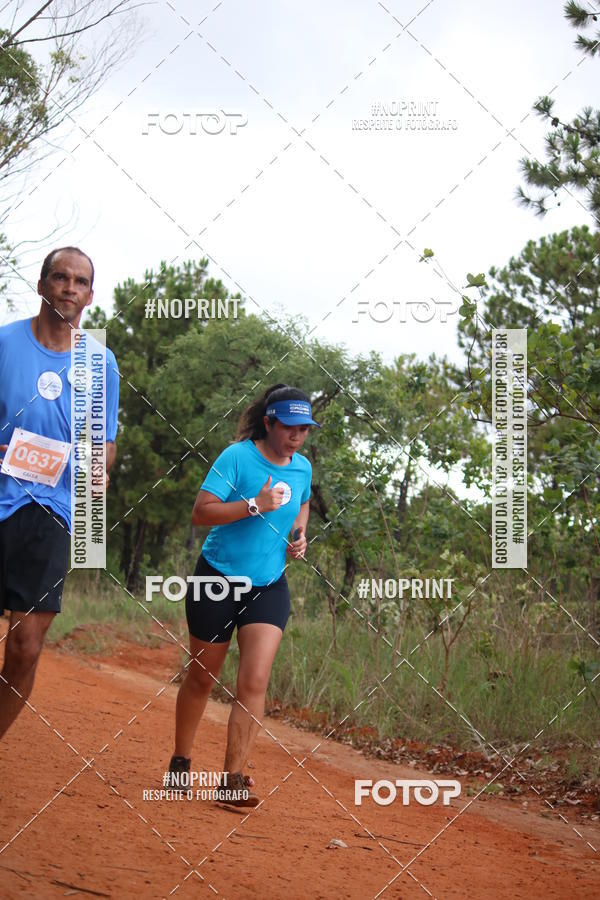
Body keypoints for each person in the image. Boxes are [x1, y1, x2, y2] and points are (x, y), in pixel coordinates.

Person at [168, 384, 319, 805]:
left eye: (304, 429)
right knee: (203, 676)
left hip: (269, 584)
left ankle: (232, 781)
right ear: (269, 422)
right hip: (217, 579)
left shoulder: (302, 467)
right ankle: (180, 762)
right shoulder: (236, 457)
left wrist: (299, 534)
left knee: (254, 680)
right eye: (289, 427)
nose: (297, 436)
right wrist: (255, 504)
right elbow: (201, 513)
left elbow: (302, 503)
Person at [0, 247, 119, 739]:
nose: (69, 288)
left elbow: (104, 446)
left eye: (80, 281)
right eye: (60, 277)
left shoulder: (99, 361)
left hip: (53, 511)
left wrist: (99, 469)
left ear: (90, 295)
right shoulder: (5, 343)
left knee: (26, 647)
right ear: (42, 284)